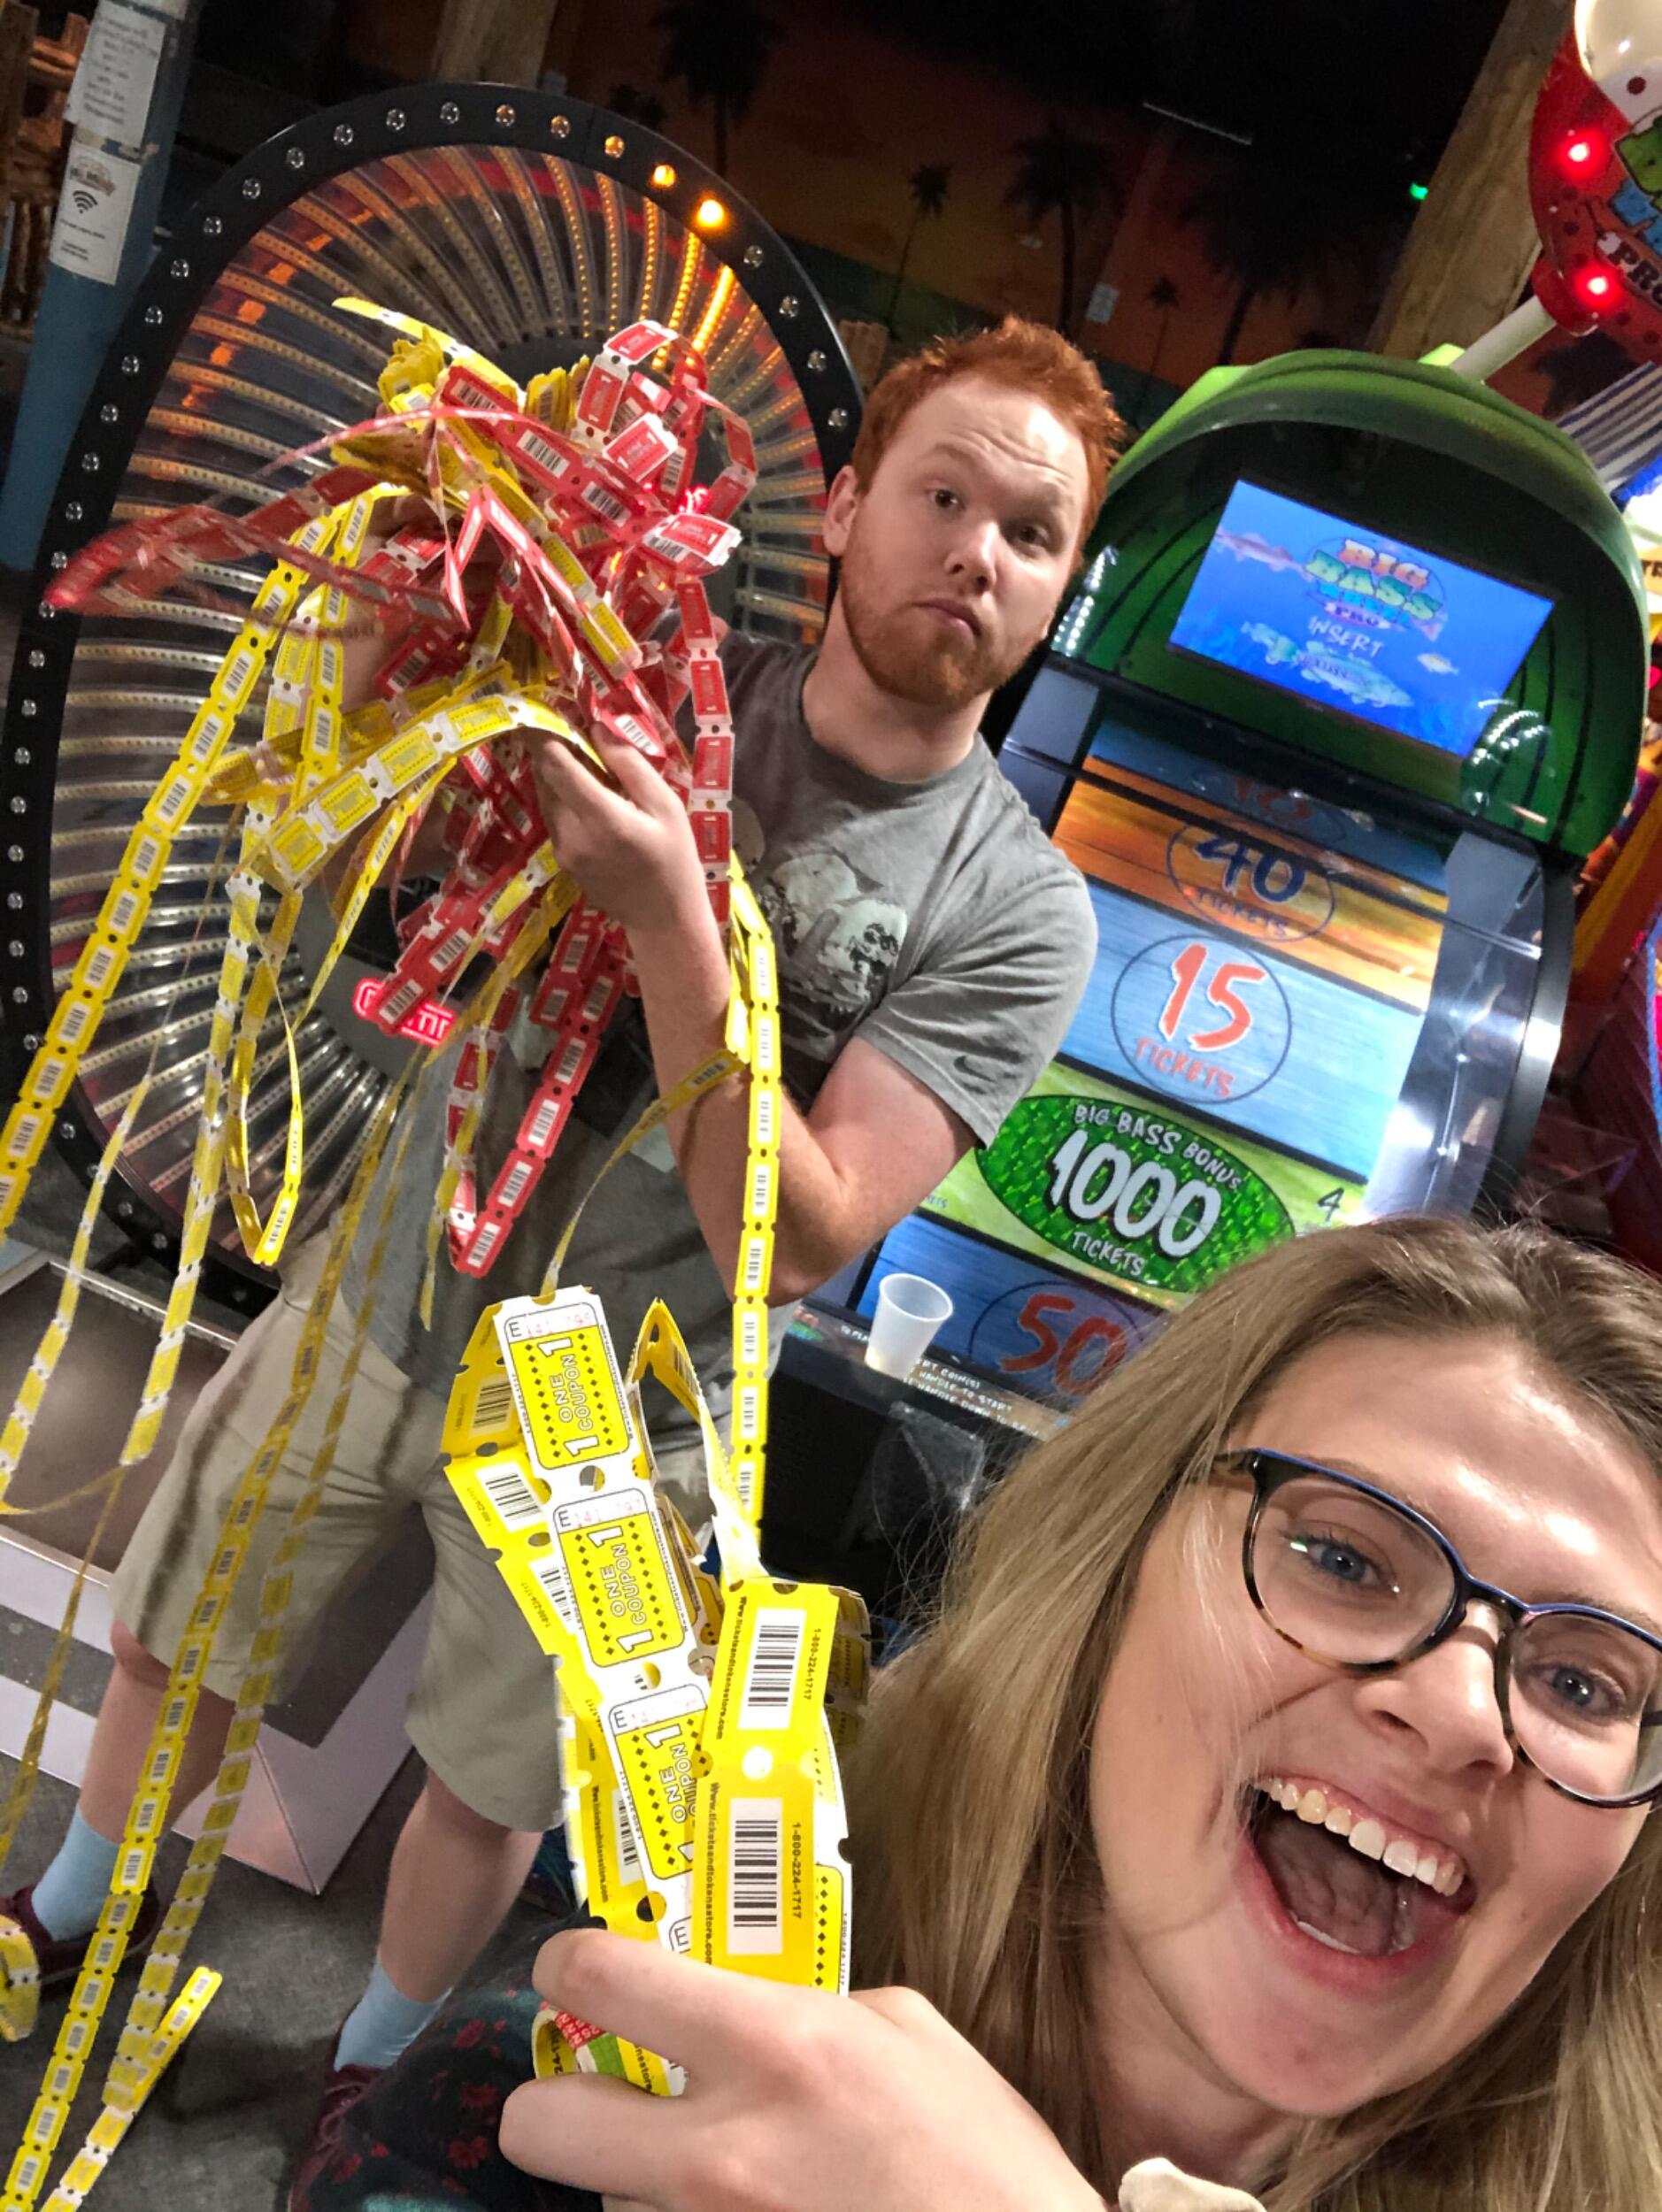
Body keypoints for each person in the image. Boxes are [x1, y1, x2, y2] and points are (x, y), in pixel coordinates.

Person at [2, 319, 1118, 2171]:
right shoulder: (644, 671)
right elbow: (370, 840)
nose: (976, 554)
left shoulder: (1018, 908)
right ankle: (61, 1912)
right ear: (845, 508)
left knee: (487, 1772)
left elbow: (799, 1235)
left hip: (621, 1410)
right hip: (386, 1282)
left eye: (1031, 532)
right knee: (181, 1631)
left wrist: (675, 916)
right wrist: (395, 609)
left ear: (1060, 584)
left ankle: (371, 2066)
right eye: (942, 497)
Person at [296, 1216, 1662, 2212]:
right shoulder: (539, 2124)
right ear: (1108, 1574)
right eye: (1343, 1558)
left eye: (1582, 1683)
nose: (1463, 1711)